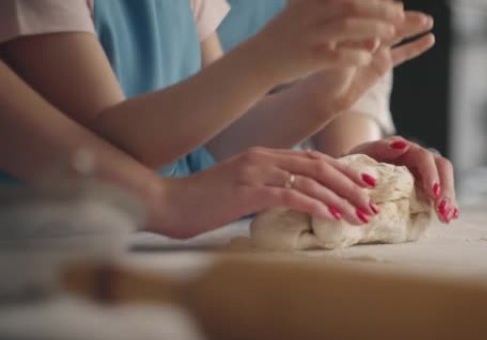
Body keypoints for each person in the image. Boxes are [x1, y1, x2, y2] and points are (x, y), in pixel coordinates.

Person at [0, 0, 457, 226]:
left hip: (160, 243)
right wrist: (264, 59)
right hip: (67, 246)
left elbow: (222, 137)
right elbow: (115, 143)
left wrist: (325, 97)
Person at [0, 60, 456, 239]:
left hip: (207, 233)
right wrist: (164, 199)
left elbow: (223, 133)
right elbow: (118, 136)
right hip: (58, 237)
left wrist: (350, 168)